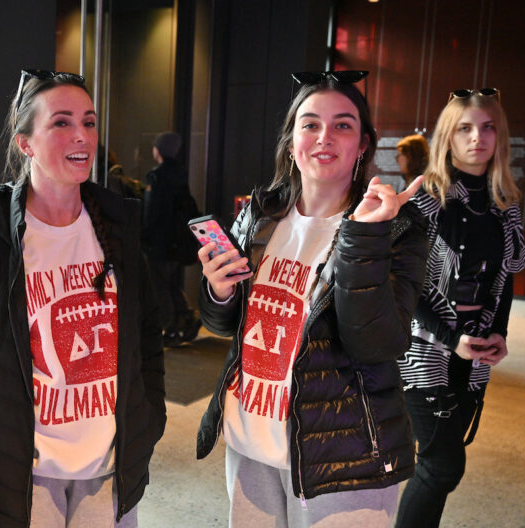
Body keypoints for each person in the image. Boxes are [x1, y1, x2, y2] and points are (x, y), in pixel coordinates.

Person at [0, 70, 166, 528]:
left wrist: (145, 423)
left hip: (110, 471)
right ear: (25, 143)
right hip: (24, 478)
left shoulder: (116, 227)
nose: (82, 136)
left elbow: (146, 341)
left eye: (89, 122)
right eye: (61, 123)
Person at [194, 71, 428, 527]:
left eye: (343, 125)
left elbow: (377, 342)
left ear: (363, 144)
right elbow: (227, 325)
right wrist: (218, 294)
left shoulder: (397, 228)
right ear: (290, 141)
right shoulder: (260, 214)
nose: (325, 137)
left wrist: (363, 236)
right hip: (250, 444)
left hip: (342, 458)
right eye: (310, 124)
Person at [395, 88, 524, 528]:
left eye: (488, 128)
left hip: (476, 354)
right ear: (447, 137)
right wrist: (453, 339)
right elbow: (402, 288)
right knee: (442, 466)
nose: (477, 138)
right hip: (423, 352)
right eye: (465, 128)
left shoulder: (507, 206)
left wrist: (500, 333)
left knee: (441, 465)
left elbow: (503, 281)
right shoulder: (425, 203)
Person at [142, 131, 201, 346]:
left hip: (159, 242)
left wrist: (145, 237)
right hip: (177, 242)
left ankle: (170, 328)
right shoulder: (179, 175)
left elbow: (152, 212)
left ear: (158, 150)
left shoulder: (157, 177)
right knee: (171, 283)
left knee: (160, 286)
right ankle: (185, 318)